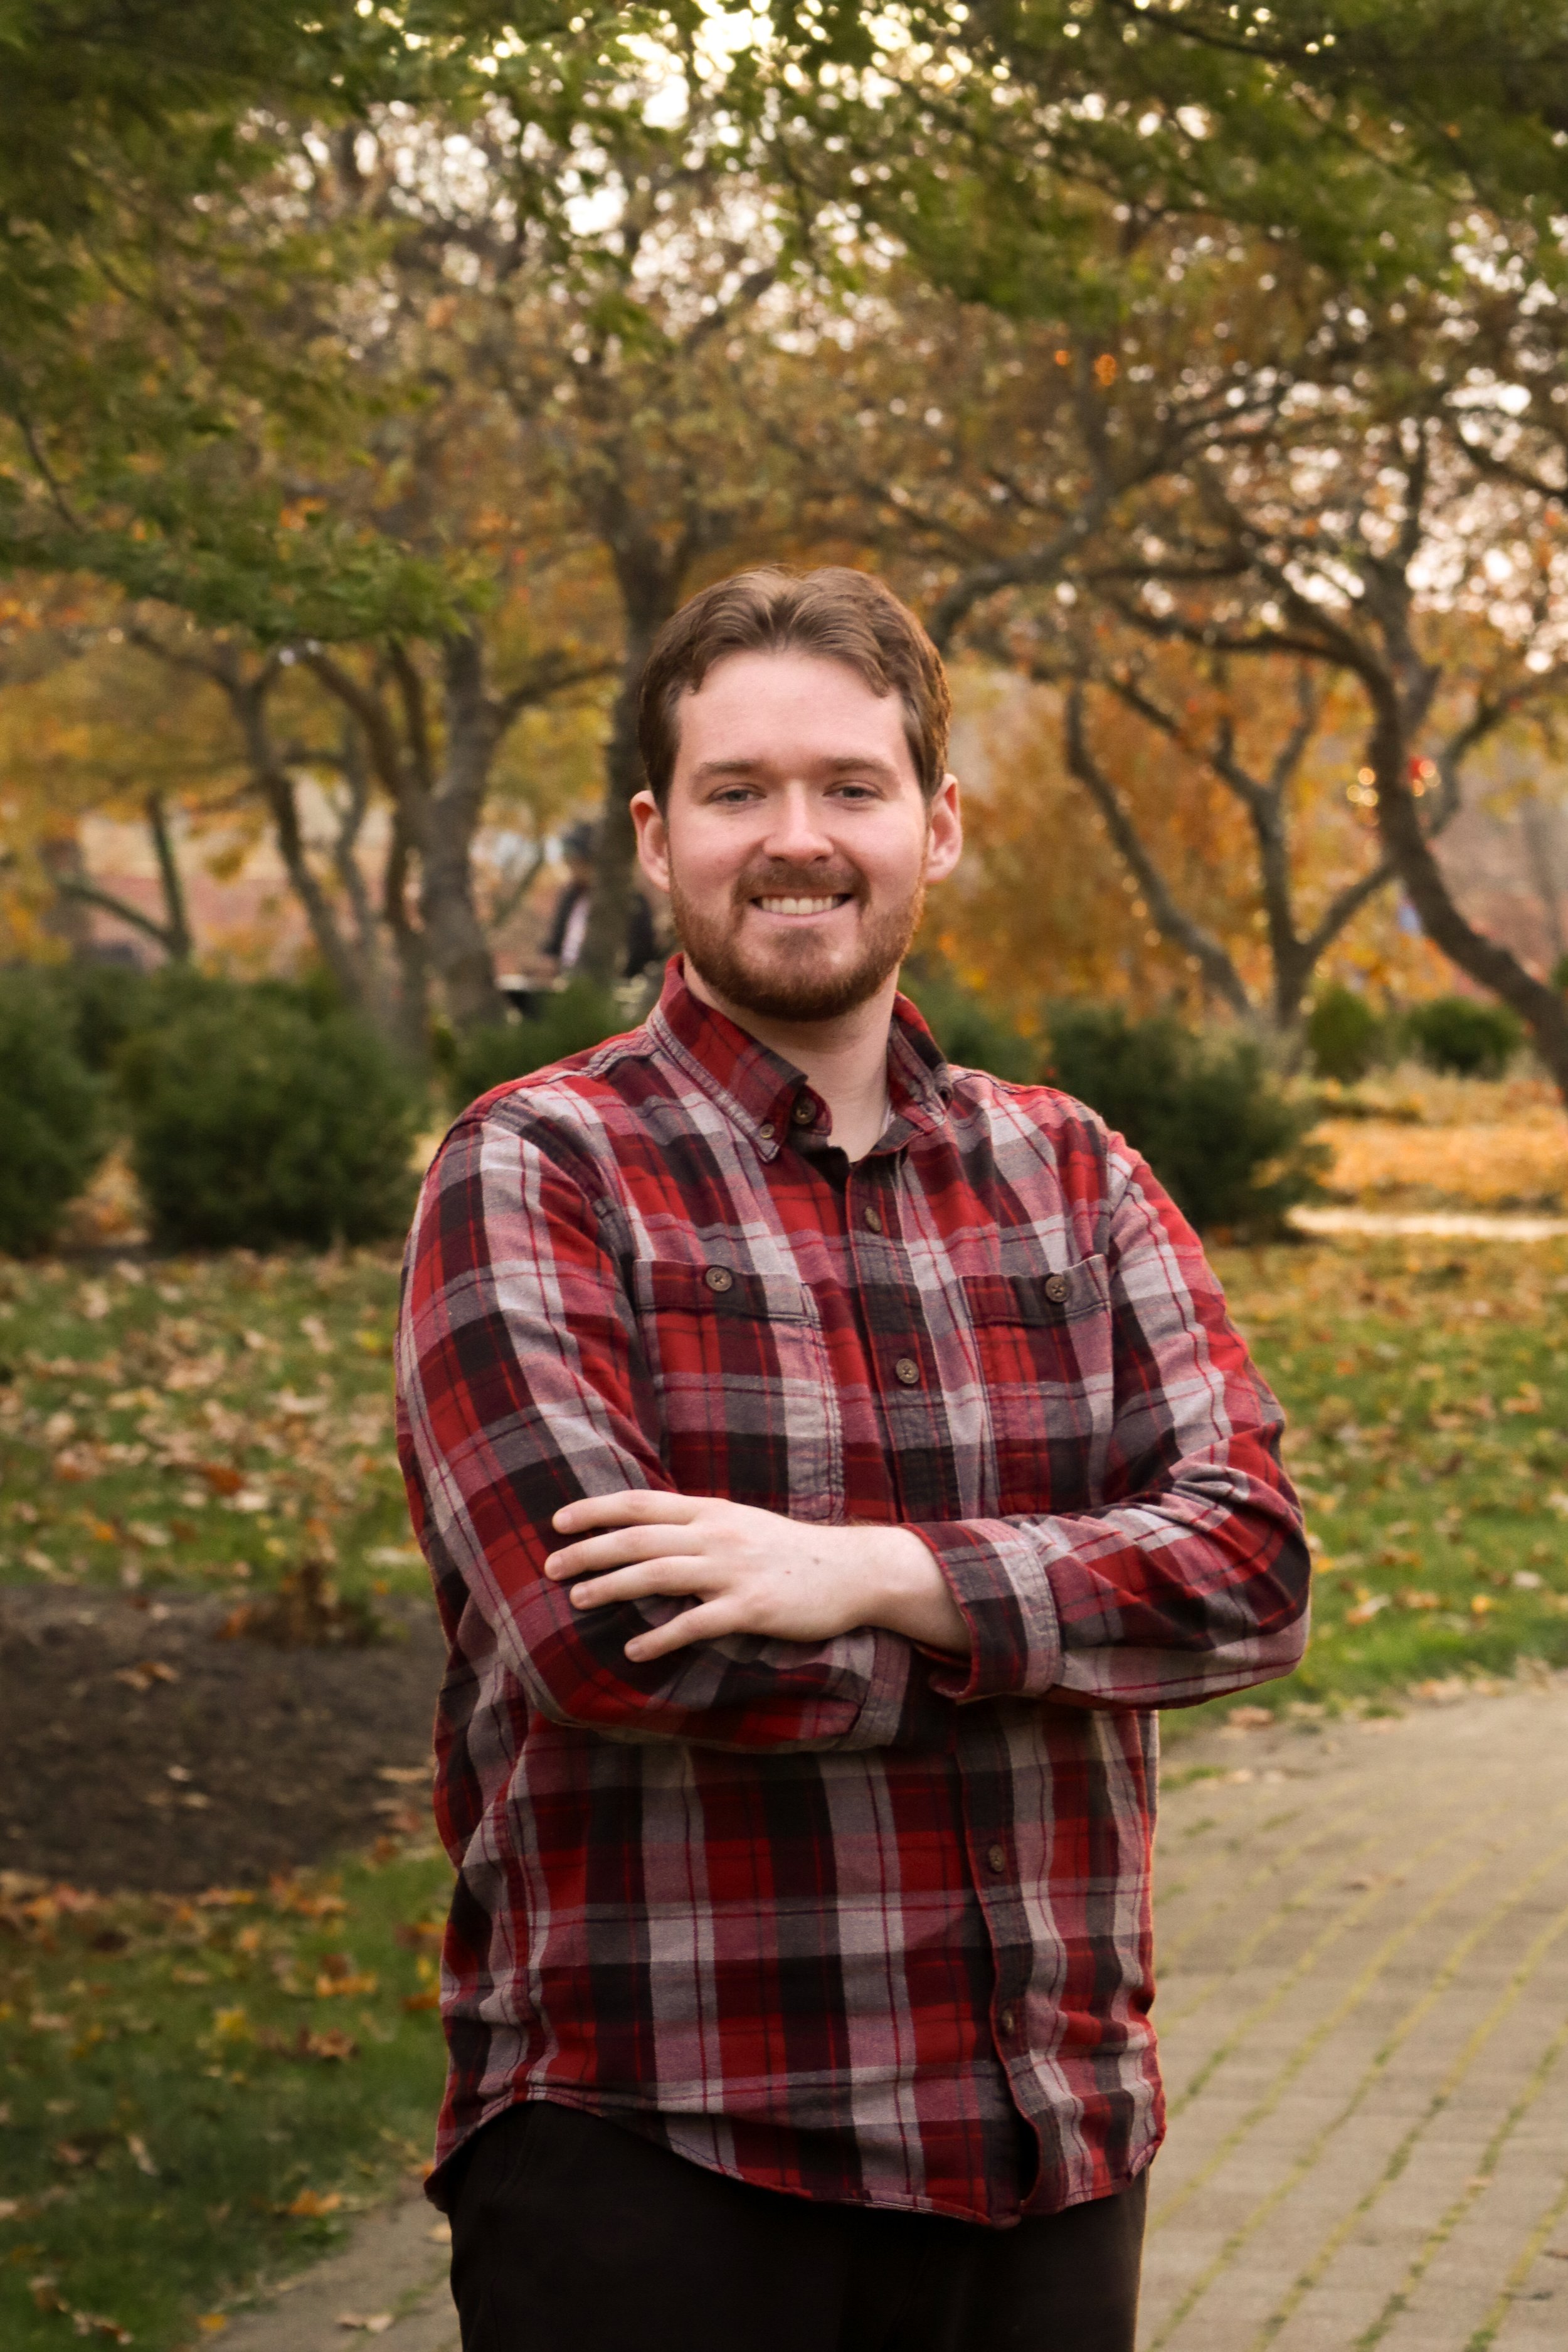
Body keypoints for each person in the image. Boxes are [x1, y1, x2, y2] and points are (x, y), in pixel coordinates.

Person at [396, 566, 1310, 2352]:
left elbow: (1252, 1568)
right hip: (668, 2156)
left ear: (936, 823)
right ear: (656, 839)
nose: (794, 837)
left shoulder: (1073, 1172)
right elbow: (607, 1639)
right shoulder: (537, 1170)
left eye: (850, 786)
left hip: (1046, 2150)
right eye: (738, 791)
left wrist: (880, 1572)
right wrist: (1049, 1619)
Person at [542, 816, 657, 980]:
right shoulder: (571, 897)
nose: (572, 868)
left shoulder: (633, 902)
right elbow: (554, 945)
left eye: (577, 862)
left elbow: (641, 955)